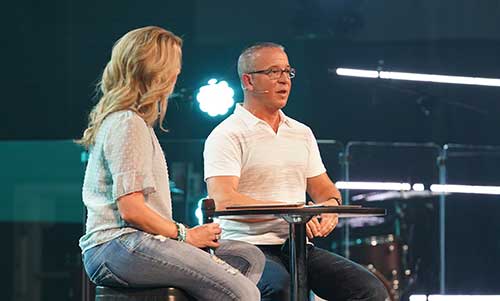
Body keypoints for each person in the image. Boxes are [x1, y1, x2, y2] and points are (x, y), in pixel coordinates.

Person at [76, 26, 264, 301]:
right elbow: (132, 210)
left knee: (246, 257)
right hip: (117, 245)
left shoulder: (133, 122)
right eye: (175, 65)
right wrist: (185, 235)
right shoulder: (127, 123)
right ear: (157, 70)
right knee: (243, 292)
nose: (178, 73)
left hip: (134, 244)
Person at [203, 42, 389, 301]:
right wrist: (292, 211)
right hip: (244, 245)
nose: (284, 80)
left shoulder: (301, 133)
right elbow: (223, 199)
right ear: (248, 81)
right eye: (273, 72)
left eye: (287, 72)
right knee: (279, 289)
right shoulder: (227, 134)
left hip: (296, 244)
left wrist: (329, 207)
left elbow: (324, 189)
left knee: (370, 290)